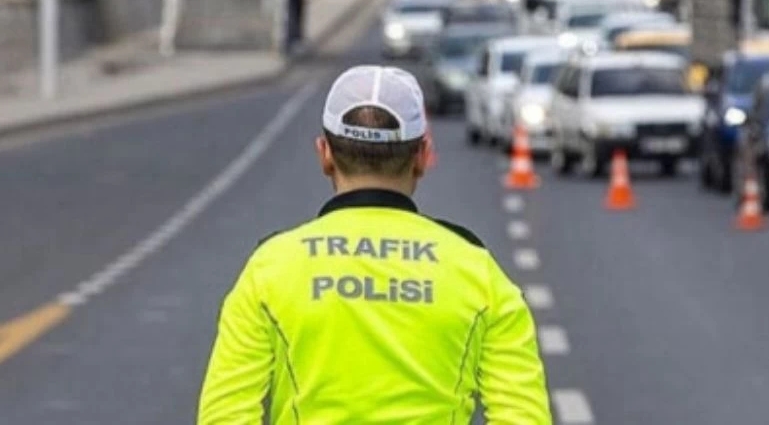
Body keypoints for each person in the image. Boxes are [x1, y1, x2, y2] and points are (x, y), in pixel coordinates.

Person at [198, 66, 551, 423]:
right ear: (422, 157)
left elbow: (224, 415)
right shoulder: (478, 272)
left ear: (324, 154)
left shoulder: (270, 269)